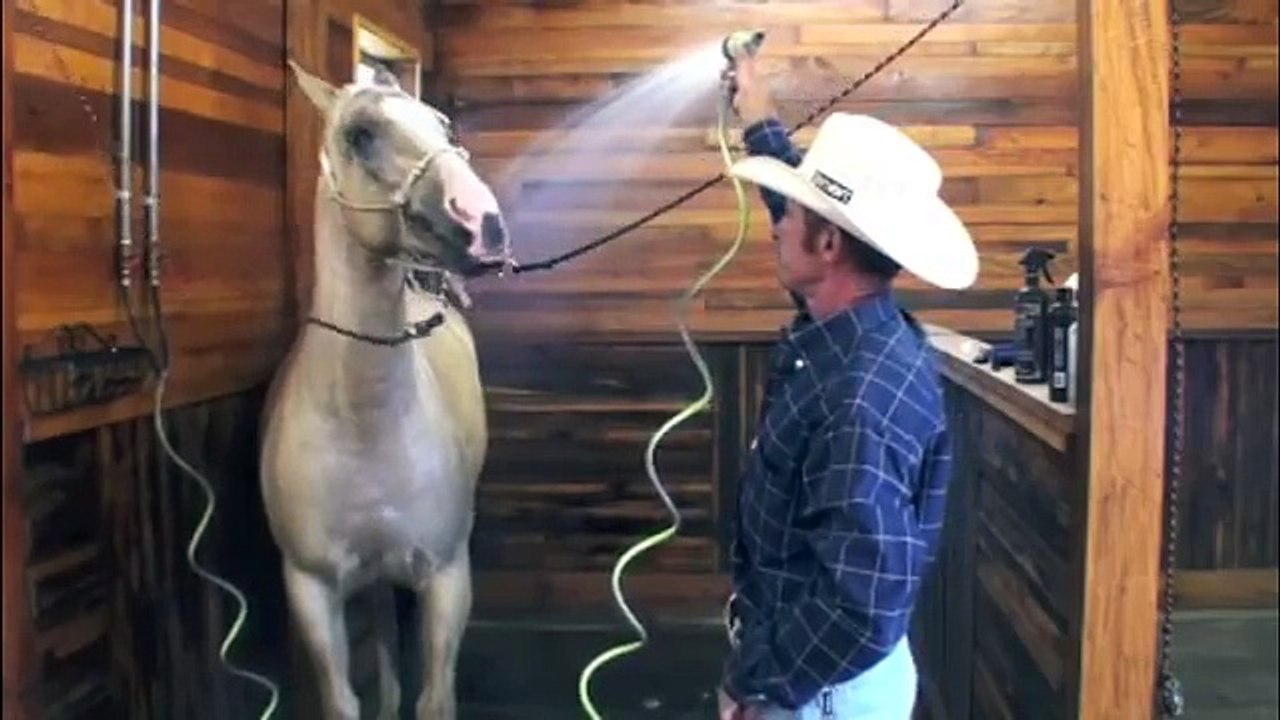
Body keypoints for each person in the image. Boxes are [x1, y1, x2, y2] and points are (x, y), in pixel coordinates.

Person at [714, 53, 979, 720]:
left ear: (830, 244)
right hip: (825, 678)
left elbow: (861, 608)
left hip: (819, 693)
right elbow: (806, 217)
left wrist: (759, 684)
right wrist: (759, 115)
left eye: (792, 212)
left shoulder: (857, 398)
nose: (776, 222)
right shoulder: (856, 328)